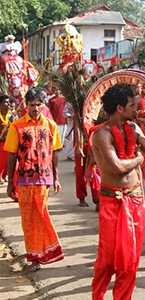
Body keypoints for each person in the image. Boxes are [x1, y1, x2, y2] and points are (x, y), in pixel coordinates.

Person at [91, 84, 145, 300]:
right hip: (112, 202)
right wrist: (140, 158)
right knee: (108, 259)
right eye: (132, 105)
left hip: (136, 199)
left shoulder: (135, 128)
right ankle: (98, 296)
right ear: (120, 108)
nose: (136, 109)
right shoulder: (101, 134)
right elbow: (117, 167)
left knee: (131, 259)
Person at [4, 87, 64, 272]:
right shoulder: (17, 126)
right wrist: (11, 183)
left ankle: (43, 252)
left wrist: (56, 177)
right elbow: (12, 155)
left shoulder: (51, 126)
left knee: (40, 214)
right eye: (32, 105)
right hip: (23, 180)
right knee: (28, 219)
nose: (35, 108)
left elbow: (54, 153)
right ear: (26, 104)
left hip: (44, 179)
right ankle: (34, 256)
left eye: (39, 105)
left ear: (43, 105)